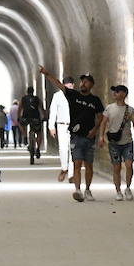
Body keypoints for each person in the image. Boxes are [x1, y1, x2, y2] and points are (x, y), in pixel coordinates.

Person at [39, 66, 104, 201]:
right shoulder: (74, 95)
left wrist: (95, 130)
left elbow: (100, 117)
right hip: (76, 136)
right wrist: (47, 74)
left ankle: (87, 190)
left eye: (86, 82)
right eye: (82, 81)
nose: (83, 84)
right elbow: (58, 84)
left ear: (91, 85)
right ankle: (78, 190)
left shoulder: (95, 100)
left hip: (89, 137)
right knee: (77, 163)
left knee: (89, 165)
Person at [102, 84, 134, 200]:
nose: (114, 94)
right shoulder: (109, 108)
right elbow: (104, 122)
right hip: (114, 143)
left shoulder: (130, 110)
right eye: (114, 92)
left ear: (124, 94)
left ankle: (128, 188)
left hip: (127, 142)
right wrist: (101, 137)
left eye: (117, 92)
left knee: (129, 165)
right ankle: (118, 191)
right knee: (116, 167)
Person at [47, 75, 74, 181]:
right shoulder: (57, 96)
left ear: (73, 86)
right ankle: (64, 168)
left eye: (70, 86)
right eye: (66, 86)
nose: (68, 88)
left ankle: (72, 175)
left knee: (73, 150)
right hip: (61, 125)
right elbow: (53, 111)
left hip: (73, 126)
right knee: (63, 149)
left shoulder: (77, 96)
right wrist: (51, 126)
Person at [18, 86, 44, 158]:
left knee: (21, 124)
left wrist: (18, 117)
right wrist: (44, 116)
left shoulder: (23, 99)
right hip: (36, 118)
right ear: (33, 91)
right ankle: (38, 148)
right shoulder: (37, 99)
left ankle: (25, 136)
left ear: (27, 92)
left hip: (25, 118)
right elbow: (41, 108)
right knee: (39, 133)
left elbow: (20, 108)